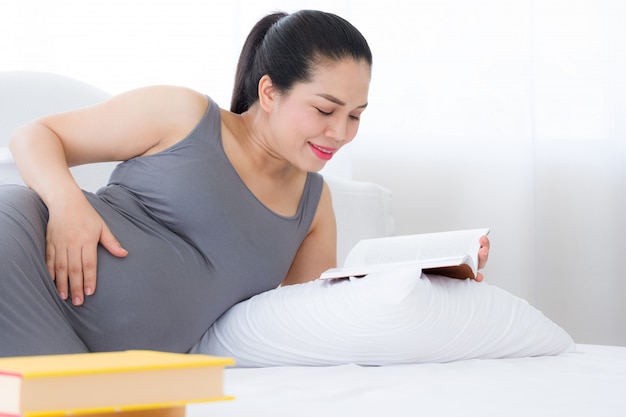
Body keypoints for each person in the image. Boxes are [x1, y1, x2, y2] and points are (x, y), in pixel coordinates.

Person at [0, 10, 489, 358]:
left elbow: (305, 321)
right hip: (21, 261)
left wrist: (432, 276)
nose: (339, 133)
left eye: (355, 115)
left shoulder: (314, 206)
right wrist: (67, 206)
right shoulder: (184, 114)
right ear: (270, 91)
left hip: (106, 356)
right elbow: (33, 135)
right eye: (324, 109)